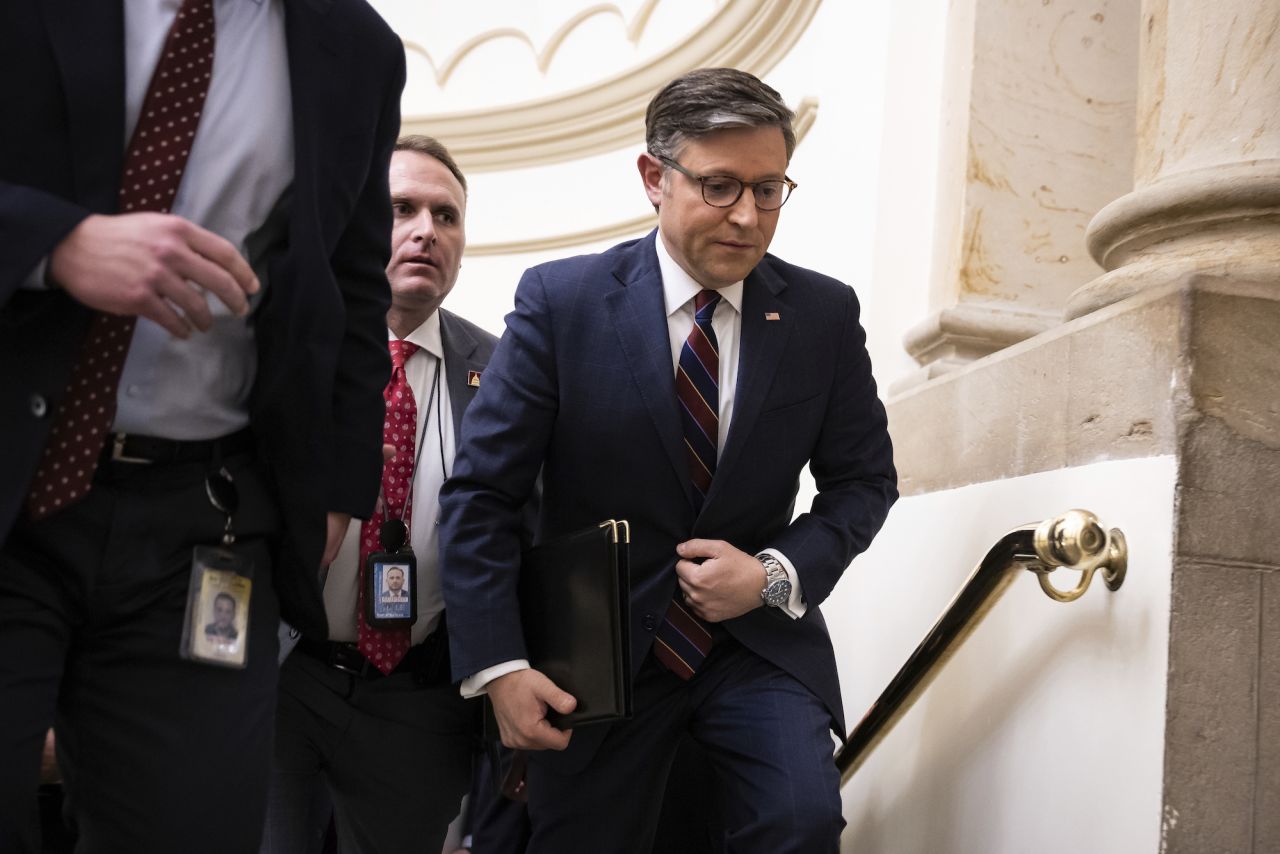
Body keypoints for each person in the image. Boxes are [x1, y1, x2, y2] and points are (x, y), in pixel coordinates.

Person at [439, 67, 898, 853]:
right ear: (655, 177)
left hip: (752, 648)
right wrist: (501, 667)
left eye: (769, 189)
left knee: (801, 819)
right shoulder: (561, 303)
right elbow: (481, 495)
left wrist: (775, 573)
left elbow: (863, 482)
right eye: (720, 187)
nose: (749, 216)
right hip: (594, 661)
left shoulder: (823, 315)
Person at [0, 2, 405, 852]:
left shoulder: (358, 49)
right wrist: (56, 244)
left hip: (207, 525)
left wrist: (338, 490)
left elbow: (353, 283)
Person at [261, 136, 500, 854]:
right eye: (401, 209)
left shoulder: (509, 372)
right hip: (282, 675)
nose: (427, 229)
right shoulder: (286, 342)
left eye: (446, 216)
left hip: (419, 699)